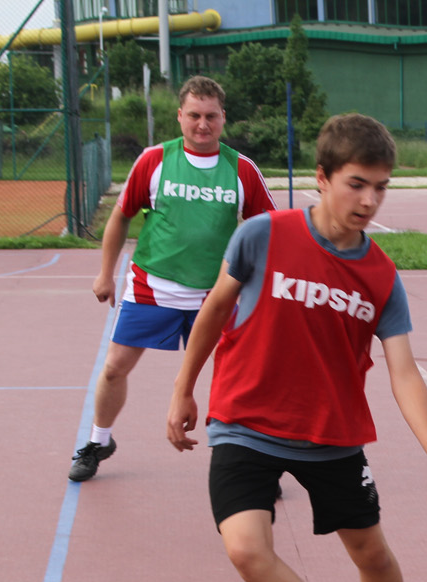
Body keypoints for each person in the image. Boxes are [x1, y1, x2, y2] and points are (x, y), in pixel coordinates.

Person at [166, 113, 427, 582]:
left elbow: (403, 371)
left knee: (372, 555)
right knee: (246, 550)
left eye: (380, 187)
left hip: (332, 435)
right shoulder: (262, 235)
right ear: (322, 179)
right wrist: (183, 389)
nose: (370, 201)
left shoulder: (381, 275)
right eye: (357, 184)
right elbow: (215, 309)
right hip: (244, 422)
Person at [72, 75, 276, 482]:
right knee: (113, 368)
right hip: (152, 287)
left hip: (216, 295)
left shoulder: (242, 170)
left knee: (241, 378)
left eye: (211, 116)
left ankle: (253, 465)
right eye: (194, 115)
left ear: (223, 118)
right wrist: (105, 274)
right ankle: (98, 441)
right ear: (180, 116)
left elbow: (269, 230)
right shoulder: (154, 160)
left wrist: (264, 286)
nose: (203, 124)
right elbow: (121, 217)